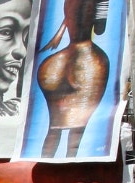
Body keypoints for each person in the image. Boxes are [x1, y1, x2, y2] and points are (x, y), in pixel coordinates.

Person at [37, 0, 110, 157]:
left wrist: (59, 33)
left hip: (54, 64)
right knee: (77, 128)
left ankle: (45, 166)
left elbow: (69, 17)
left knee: (53, 129)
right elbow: (100, 29)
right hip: (88, 62)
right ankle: (69, 166)